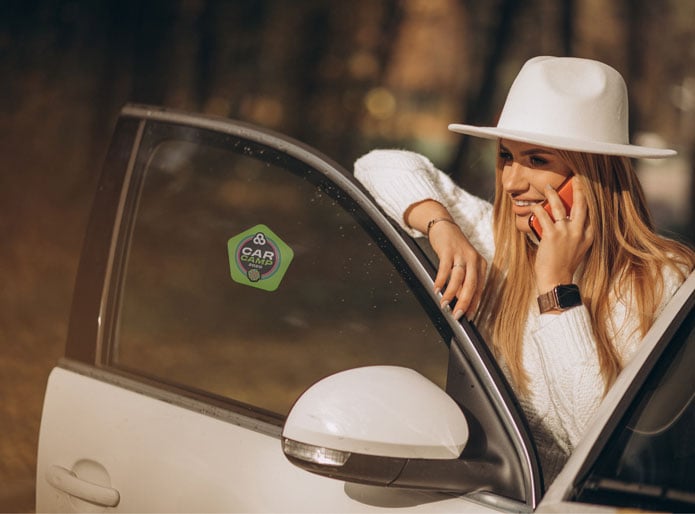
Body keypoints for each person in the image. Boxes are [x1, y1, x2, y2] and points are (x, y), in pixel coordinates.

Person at [354, 56, 695, 483]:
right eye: (505, 156)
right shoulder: (496, 241)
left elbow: (594, 441)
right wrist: (440, 225)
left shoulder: (657, 280)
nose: (512, 181)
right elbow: (377, 163)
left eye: (536, 160)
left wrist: (557, 288)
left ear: (592, 175)